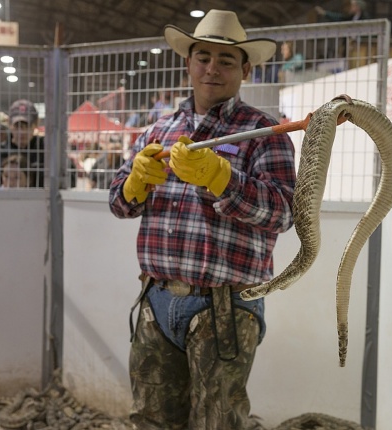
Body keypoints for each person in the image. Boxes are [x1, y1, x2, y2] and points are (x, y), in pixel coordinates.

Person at [109, 9, 296, 430]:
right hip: (156, 301)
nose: (213, 68)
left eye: (226, 60)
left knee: (219, 423)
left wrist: (223, 178)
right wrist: (134, 183)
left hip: (225, 307)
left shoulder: (265, 133)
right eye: (204, 57)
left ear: (245, 69)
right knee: (150, 421)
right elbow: (118, 205)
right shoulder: (158, 131)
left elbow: (283, 213)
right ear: (188, 63)